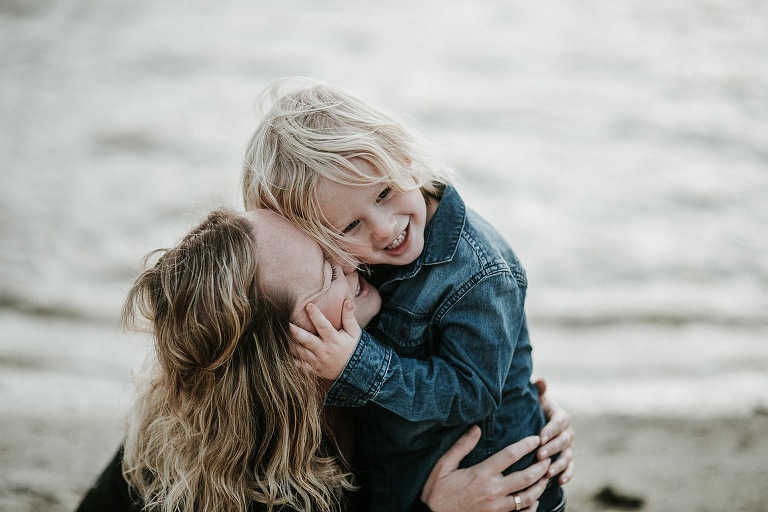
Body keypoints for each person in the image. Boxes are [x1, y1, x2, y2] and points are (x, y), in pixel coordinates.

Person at [75, 208, 574, 512]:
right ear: (286, 358)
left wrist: (520, 419)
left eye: (328, 239)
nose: (354, 260)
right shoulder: (242, 483)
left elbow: (463, 383)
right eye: (327, 272)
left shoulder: (368, 340)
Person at [242, 79, 569, 511]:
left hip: (496, 485)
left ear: (404, 160)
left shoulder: (480, 273)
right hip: (408, 477)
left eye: (384, 193)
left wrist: (359, 366)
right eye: (349, 227)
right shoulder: (362, 264)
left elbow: (472, 392)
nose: (383, 227)